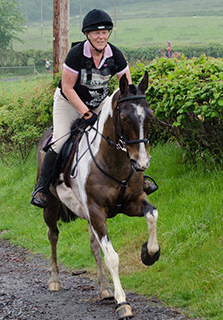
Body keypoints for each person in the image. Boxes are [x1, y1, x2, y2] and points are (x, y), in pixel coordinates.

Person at [30, 9, 158, 208]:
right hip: (69, 102)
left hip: (99, 102)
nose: (101, 36)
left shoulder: (115, 55)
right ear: (87, 35)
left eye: (105, 32)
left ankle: (138, 180)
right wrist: (85, 113)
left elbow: (127, 89)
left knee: (121, 133)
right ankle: (42, 187)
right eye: (96, 33)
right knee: (61, 140)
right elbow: (67, 88)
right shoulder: (75, 55)